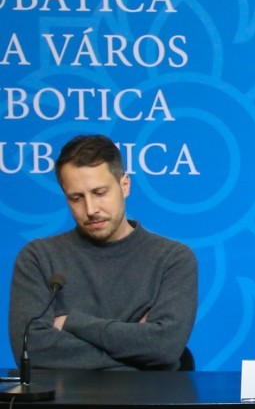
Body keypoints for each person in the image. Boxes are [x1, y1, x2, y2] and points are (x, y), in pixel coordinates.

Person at [7, 134, 198, 371]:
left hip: (147, 395)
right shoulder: (38, 257)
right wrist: (138, 355)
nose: (90, 209)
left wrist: (72, 322)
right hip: (65, 396)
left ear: (124, 186)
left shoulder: (173, 258)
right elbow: (32, 350)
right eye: (76, 198)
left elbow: (164, 347)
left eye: (100, 193)